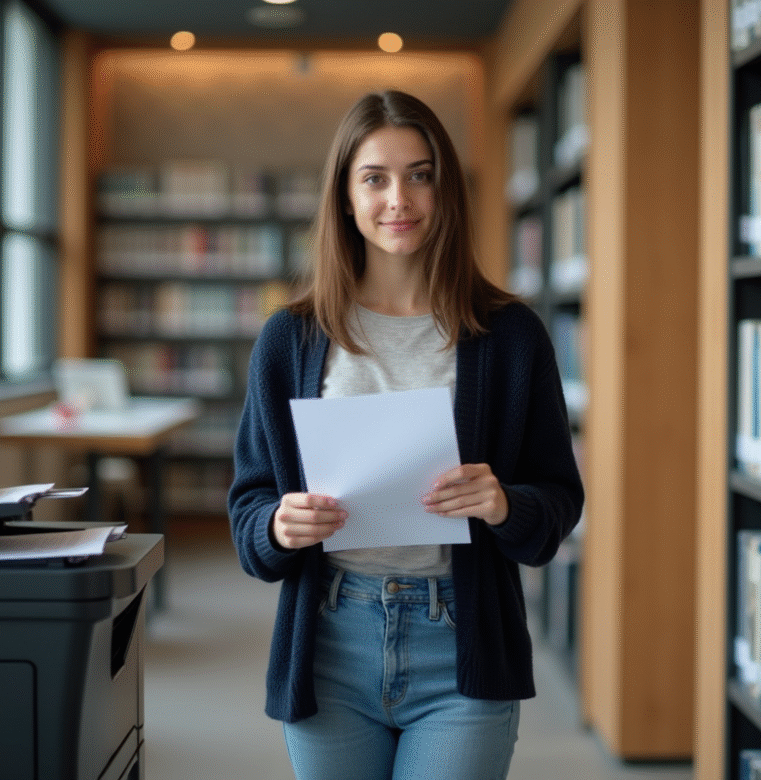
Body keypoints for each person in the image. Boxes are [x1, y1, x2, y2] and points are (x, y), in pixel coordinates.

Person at [228, 89, 584, 780]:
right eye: (376, 178)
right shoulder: (290, 338)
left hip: (463, 643)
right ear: (345, 195)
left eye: (420, 174)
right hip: (330, 640)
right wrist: (277, 524)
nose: (400, 199)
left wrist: (505, 503)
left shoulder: (510, 335)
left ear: (445, 188)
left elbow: (557, 503)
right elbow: (249, 509)